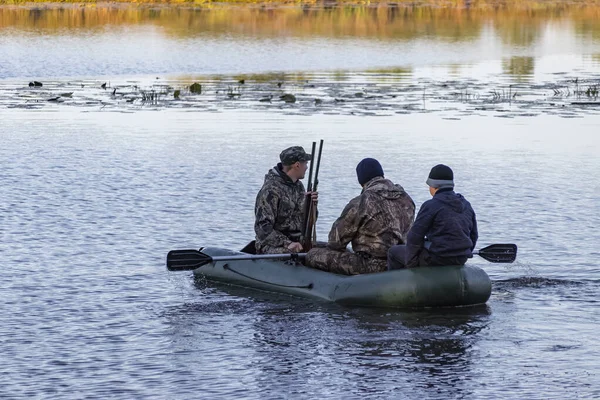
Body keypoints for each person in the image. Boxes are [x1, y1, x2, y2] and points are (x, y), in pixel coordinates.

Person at [305, 158, 415, 275]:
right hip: (400, 261)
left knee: (312, 254)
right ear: (381, 174)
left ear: (361, 182)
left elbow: (335, 242)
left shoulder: (362, 201)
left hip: (371, 265)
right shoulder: (406, 198)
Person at [387, 164, 478, 269]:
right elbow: (474, 235)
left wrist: (411, 263)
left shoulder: (431, 205)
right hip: (461, 258)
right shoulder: (466, 205)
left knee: (393, 252)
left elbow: (415, 236)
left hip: (437, 258)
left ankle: (400, 283)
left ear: (434, 186)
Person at [254, 146, 317, 254]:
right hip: (272, 245)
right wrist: (287, 243)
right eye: (305, 163)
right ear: (297, 165)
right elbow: (262, 227)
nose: (306, 167)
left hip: (298, 241)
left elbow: (306, 222)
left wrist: (311, 206)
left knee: (326, 251)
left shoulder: (299, 186)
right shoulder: (271, 190)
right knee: (297, 256)